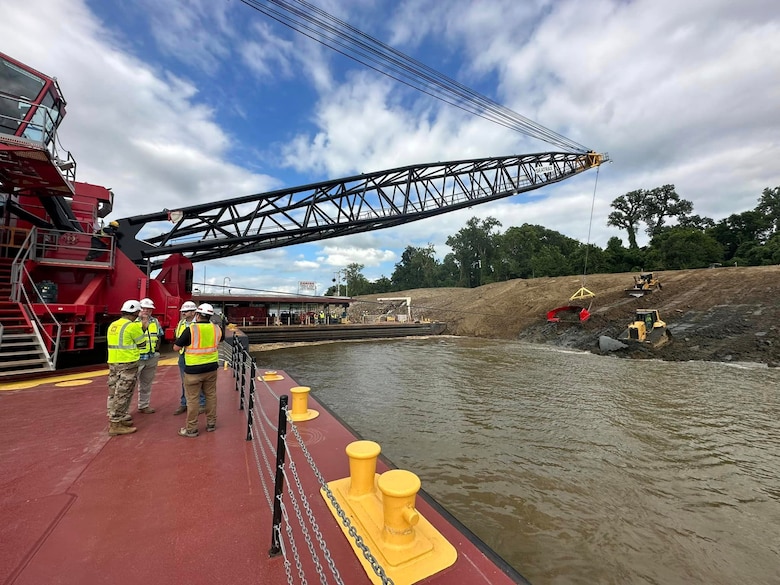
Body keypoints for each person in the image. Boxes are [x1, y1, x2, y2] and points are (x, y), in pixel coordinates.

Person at [173, 303, 223, 437]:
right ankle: (211, 424)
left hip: (193, 370)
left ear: (197, 315)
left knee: (192, 399)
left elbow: (176, 348)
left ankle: (191, 429)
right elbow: (220, 340)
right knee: (211, 396)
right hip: (212, 368)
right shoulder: (217, 329)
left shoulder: (191, 329)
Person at [106, 299, 148, 436]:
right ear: (135, 312)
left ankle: (118, 417)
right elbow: (142, 344)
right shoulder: (132, 326)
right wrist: (143, 328)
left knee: (114, 392)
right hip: (128, 364)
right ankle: (116, 424)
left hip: (113, 363)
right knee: (123, 393)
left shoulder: (113, 325)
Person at [172, 301, 206, 415]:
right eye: (182, 312)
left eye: (186, 312)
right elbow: (178, 337)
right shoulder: (181, 323)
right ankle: (184, 403)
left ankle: (201, 404)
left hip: (196, 356)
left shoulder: (200, 324)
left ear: (193, 312)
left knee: (198, 380)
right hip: (183, 355)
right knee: (184, 381)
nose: (183, 313)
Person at [134, 297, 162, 414]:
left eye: (149, 309)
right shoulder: (133, 322)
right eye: (144, 308)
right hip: (137, 358)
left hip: (150, 357)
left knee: (146, 384)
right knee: (129, 385)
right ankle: (124, 411)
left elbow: (159, 335)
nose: (146, 311)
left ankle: (144, 405)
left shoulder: (155, 321)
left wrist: (156, 350)